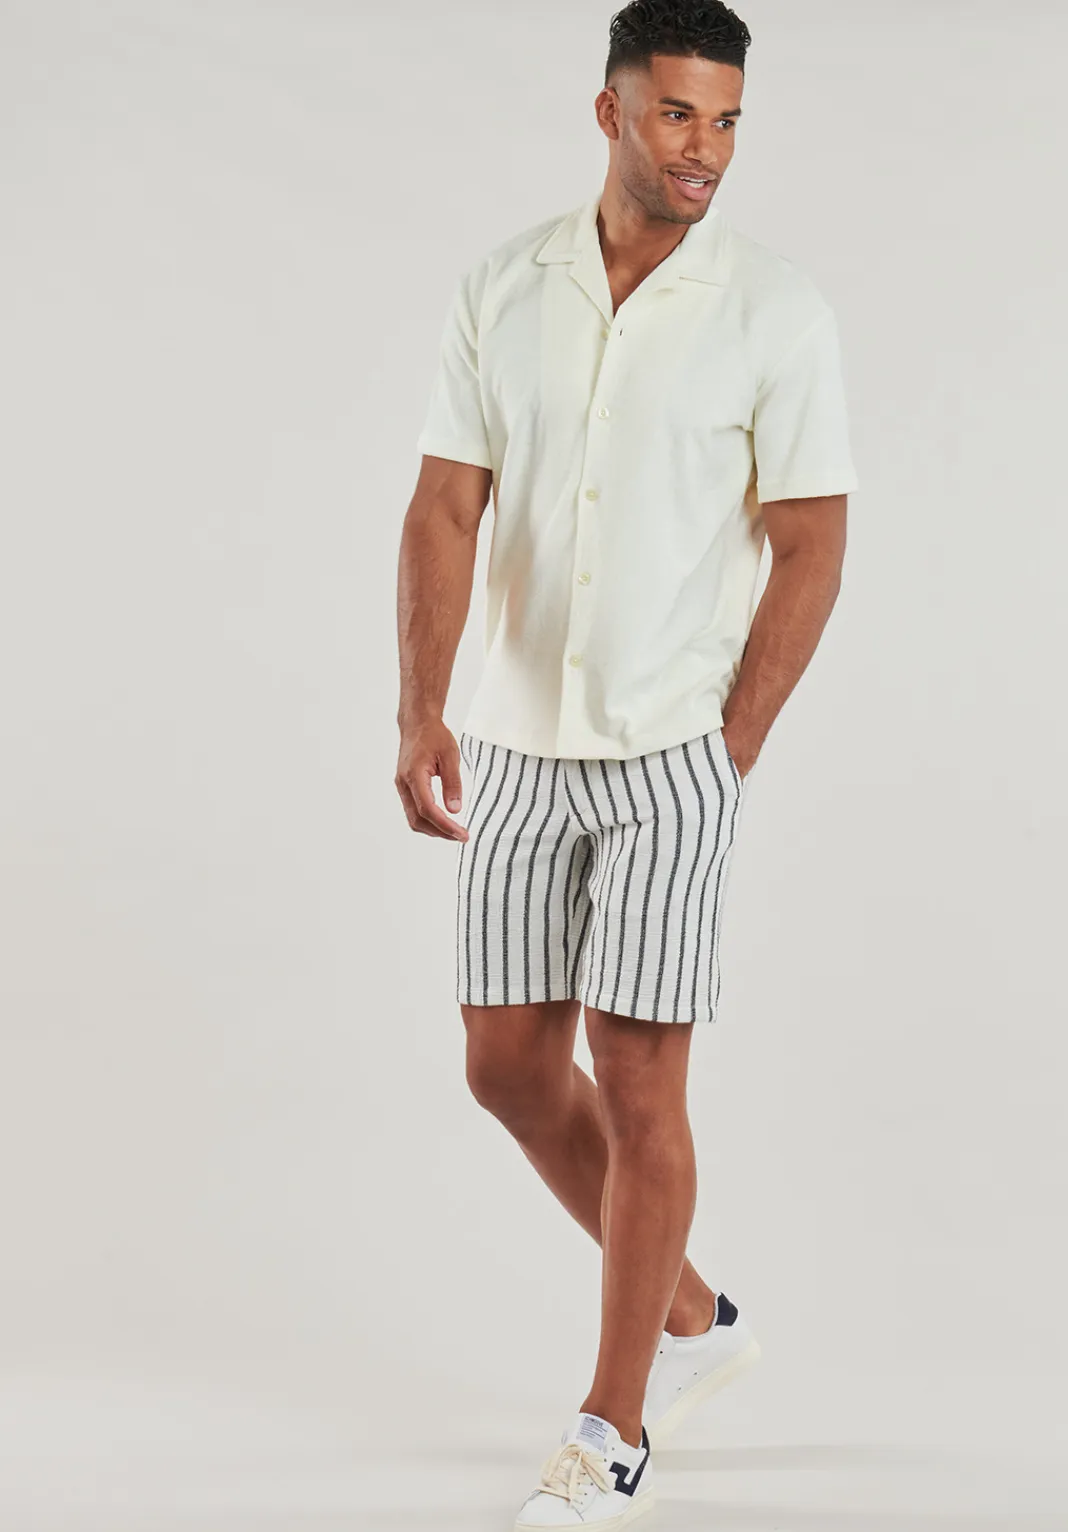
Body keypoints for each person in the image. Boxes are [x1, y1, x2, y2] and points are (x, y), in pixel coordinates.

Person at [395, 1, 857, 1524]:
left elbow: (812, 541)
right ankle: (694, 1315)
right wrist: (421, 707)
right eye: (676, 115)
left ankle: (614, 1426)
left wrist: (735, 744)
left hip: (672, 756)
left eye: (726, 121)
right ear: (609, 113)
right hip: (519, 743)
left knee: (642, 1076)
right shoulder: (503, 287)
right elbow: (446, 505)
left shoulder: (775, 310)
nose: (704, 149)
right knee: (505, 1065)